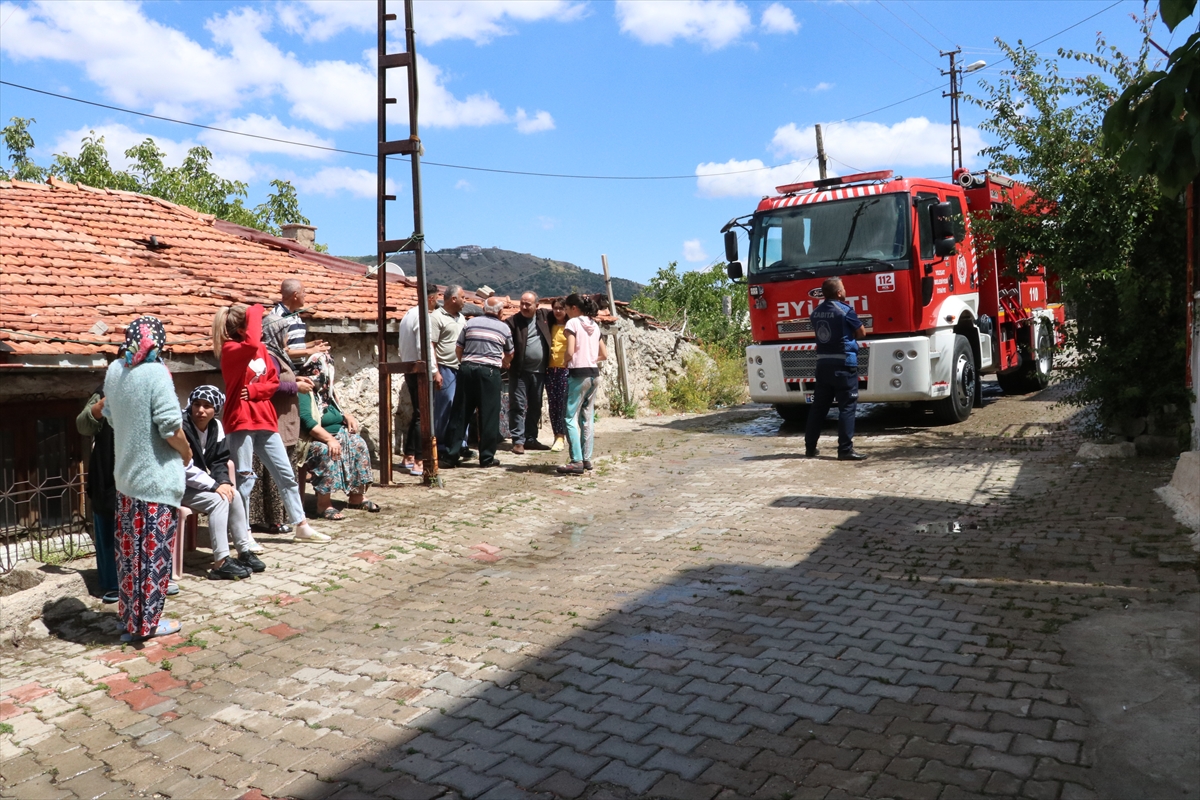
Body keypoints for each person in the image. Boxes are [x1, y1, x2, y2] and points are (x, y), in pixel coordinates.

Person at [102, 315, 188, 641]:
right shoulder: (157, 374)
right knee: (153, 559)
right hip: (155, 482)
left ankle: (130, 623)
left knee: (129, 559)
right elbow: (171, 428)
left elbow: (109, 417)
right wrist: (187, 453)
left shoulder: (115, 371)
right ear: (159, 342)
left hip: (126, 481)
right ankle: (149, 626)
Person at [214, 303, 328, 543]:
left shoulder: (262, 351)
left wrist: (256, 390)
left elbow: (274, 383)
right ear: (245, 328)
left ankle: (301, 525)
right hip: (241, 420)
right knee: (244, 479)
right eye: (255, 325)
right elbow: (254, 344)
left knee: (286, 473)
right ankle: (243, 534)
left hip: (265, 418)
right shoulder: (232, 348)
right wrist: (256, 309)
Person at [180, 386, 265, 580]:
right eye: (196, 404)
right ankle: (221, 562)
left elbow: (219, 460)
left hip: (198, 484)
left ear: (216, 409)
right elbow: (183, 468)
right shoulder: (182, 427)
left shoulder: (215, 427)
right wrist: (215, 486)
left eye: (207, 406)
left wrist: (224, 482)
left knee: (232, 494)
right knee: (218, 500)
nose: (200, 410)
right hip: (178, 486)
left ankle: (244, 552)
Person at [248, 313, 313, 537]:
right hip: (273, 419)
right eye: (284, 333)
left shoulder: (276, 353)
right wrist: (296, 387)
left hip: (281, 420)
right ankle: (270, 521)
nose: (287, 338)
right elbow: (270, 386)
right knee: (274, 472)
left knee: (280, 471)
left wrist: (296, 380)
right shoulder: (267, 355)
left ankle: (281, 519)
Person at [297, 355, 381, 519]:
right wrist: (329, 439)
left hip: (337, 434)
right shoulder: (304, 391)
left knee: (358, 443)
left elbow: (336, 410)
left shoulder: (326, 391)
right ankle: (323, 505)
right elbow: (307, 422)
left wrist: (346, 416)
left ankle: (357, 497)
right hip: (313, 439)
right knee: (326, 451)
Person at [445, 296, 513, 468]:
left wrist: (465, 364)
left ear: (483, 309)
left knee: (460, 413)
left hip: (467, 369)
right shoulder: (504, 328)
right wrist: (503, 362)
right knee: (489, 416)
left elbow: (458, 348)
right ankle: (486, 458)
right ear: (499, 312)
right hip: (490, 373)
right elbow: (510, 353)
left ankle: (451, 455)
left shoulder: (470, 323)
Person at [804, 277, 868, 461]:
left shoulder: (816, 312)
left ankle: (810, 448)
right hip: (844, 365)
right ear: (839, 292)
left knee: (818, 408)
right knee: (847, 407)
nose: (845, 290)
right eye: (843, 288)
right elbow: (861, 332)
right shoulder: (845, 310)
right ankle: (845, 450)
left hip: (823, 365)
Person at [76, 388, 119, 604]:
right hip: (107, 473)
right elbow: (83, 425)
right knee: (108, 523)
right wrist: (102, 405)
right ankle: (112, 583)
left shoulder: (152, 388)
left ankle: (152, 581)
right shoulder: (103, 392)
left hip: (141, 474)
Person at [558, 294, 607, 475]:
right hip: (594, 374)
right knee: (587, 418)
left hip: (578, 374)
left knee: (569, 417)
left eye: (566, 309)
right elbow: (605, 354)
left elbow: (570, 350)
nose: (564, 313)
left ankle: (576, 461)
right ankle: (587, 458)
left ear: (573, 308)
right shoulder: (594, 325)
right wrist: (591, 358)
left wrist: (565, 361)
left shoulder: (573, 324)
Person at [398, 285, 442, 476]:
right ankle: (419, 460)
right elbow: (423, 346)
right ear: (432, 298)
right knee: (424, 415)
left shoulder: (408, 314)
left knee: (417, 414)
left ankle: (408, 456)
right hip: (420, 370)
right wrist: (434, 371)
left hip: (409, 367)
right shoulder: (423, 316)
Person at [506, 291, 553, 454]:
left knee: (535, 406)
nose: (524, 307)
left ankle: (531, 438)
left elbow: (563, 311)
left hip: (540, 371)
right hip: (519, 371)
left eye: (528, 304)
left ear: (537, 305)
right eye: (522, 304)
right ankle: (518, 441)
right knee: (518, 406)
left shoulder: (544, 317)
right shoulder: (513, 322)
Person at [430, 285, 466, 462]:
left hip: (462, 369)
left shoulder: (462, 318)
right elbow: (432, 346)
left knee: (462, 407)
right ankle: (443, 445)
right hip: (445, 368)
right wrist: (435, 371)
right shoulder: (436, 317)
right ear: (453, 299)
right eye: (463, 297)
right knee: (445, 406)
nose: (464, 301)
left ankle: (461, 444)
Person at [273, 278, 330, 370]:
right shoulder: (278, 317)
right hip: (286, 371)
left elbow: (292, 346)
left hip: (297, 368)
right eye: (303, 292)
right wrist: (310, 351)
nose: (305, 295)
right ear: (295, 295)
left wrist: (312, 344)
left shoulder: (295, 315)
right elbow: (279, 351)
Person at [545, 298, 570, 453]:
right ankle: (556, 435)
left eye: (561, 308)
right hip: (550, 369)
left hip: (564, 369)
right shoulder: (549, 326)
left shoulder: (570, 327)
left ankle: (562, 436)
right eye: (555, 308)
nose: (558, 311)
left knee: (562, 404)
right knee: (553, 405)